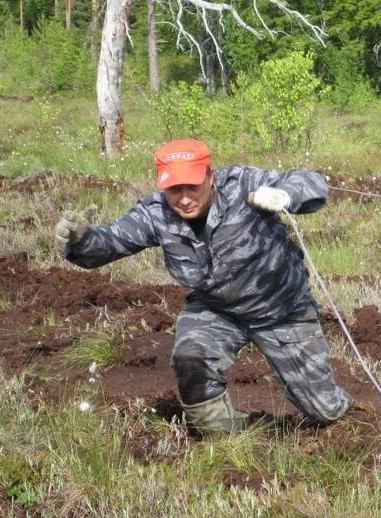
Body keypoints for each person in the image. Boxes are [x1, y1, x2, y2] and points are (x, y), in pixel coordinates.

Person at [54, 139, 353, 435]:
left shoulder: (241, 185)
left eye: (192, 187)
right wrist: (81, 239)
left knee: (324, 411)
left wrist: (284, 194)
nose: (183, 198)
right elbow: (111, 242)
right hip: (217, 309)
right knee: (190, 356)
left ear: (210, 177)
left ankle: (335, 414)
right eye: (174, 189)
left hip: (281, 308)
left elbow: (311, 182)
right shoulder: (156, 212)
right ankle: (225, 437)